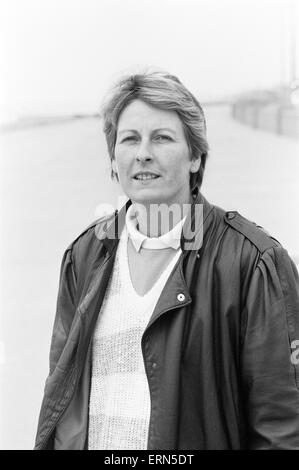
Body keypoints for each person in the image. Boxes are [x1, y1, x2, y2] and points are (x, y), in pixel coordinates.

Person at [34, 70, 299, 450]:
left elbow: (282, 428)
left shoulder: (254, 263)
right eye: (129, 139)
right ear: (114, 160)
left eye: (161, 138)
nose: (143, 152)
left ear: (194, 156)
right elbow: (61, 396)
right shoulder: (84, 255)